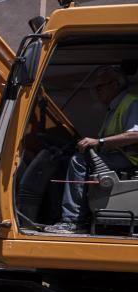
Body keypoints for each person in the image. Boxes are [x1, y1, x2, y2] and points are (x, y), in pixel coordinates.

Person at [45, 66, 138, 234]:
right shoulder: (114, 108)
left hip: (130, 162)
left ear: (115, 84)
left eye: (99, 87)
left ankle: (72, 221)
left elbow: (135, 134)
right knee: (68, 159)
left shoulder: (132, 103)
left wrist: (99, 141)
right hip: (117, 158)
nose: (96, 91)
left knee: (79, 162)